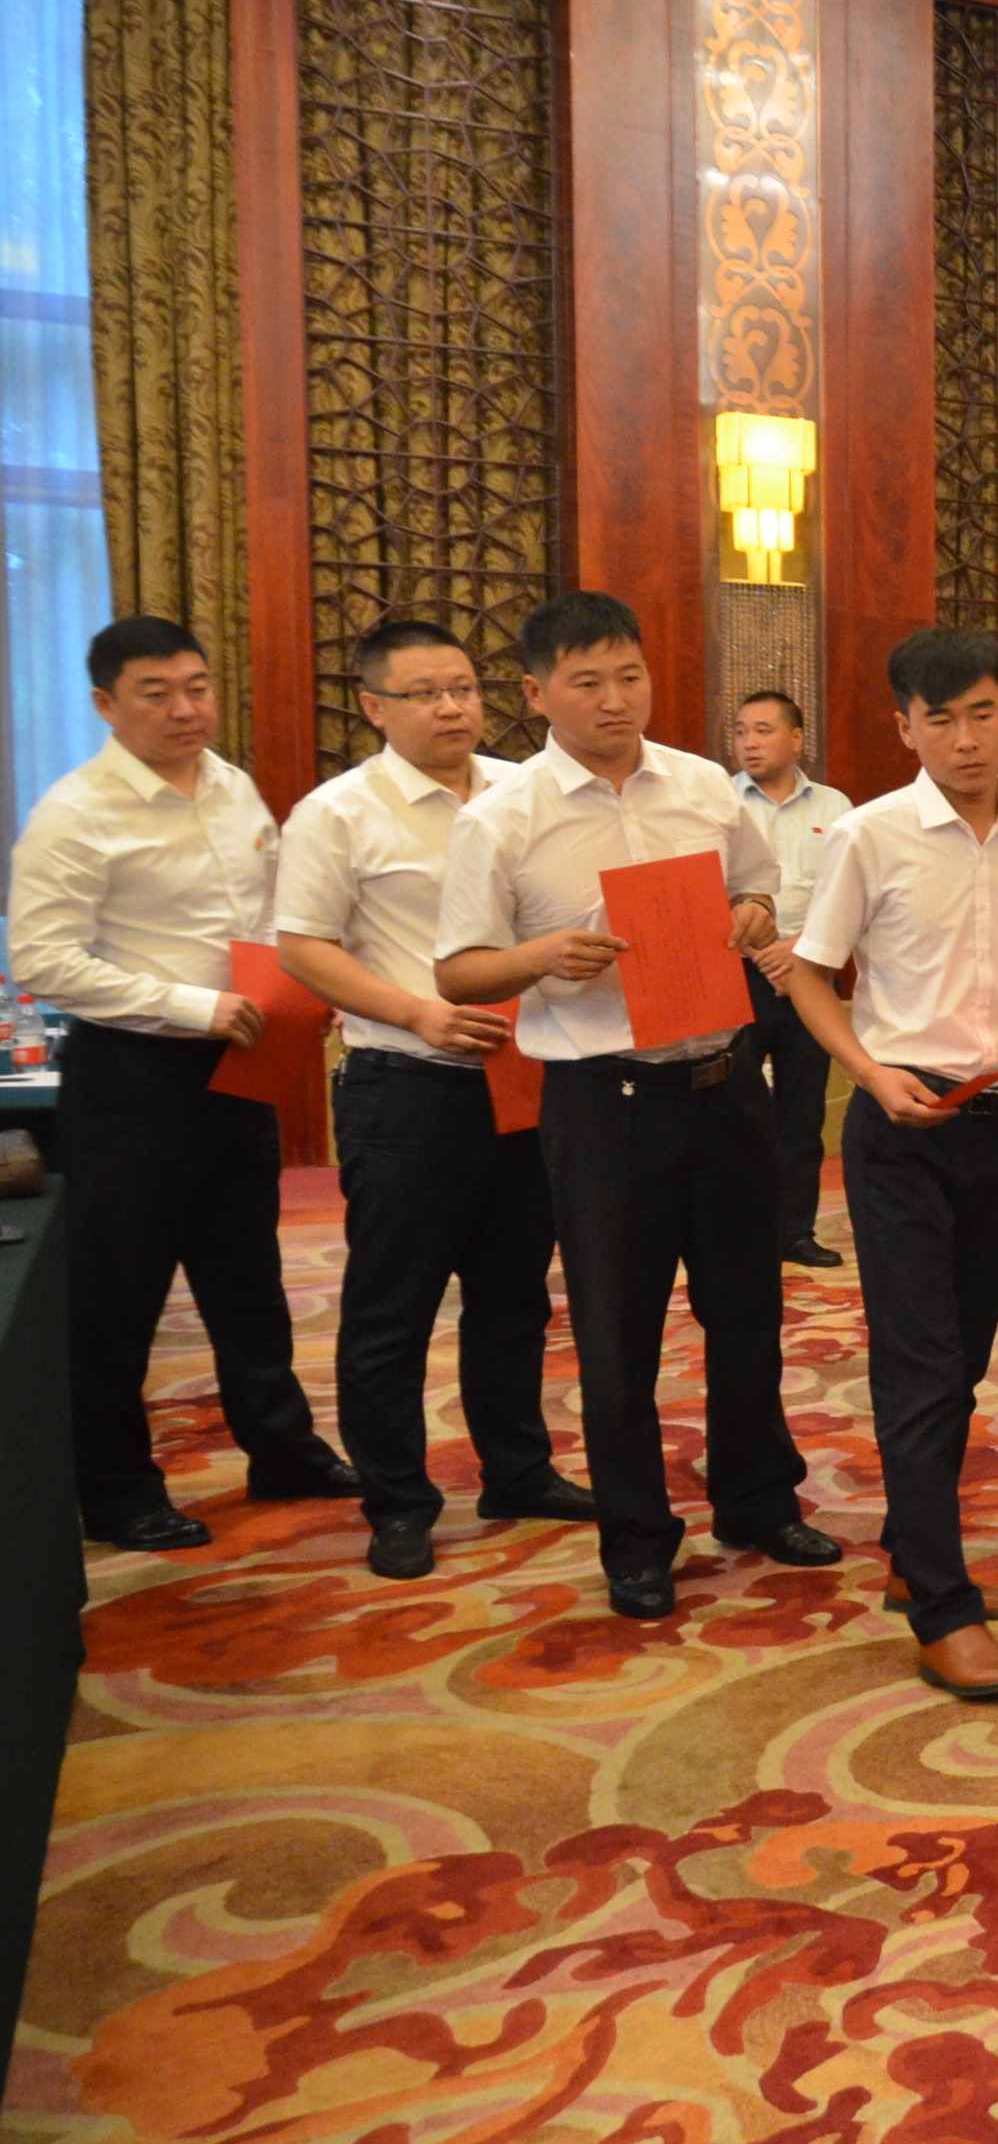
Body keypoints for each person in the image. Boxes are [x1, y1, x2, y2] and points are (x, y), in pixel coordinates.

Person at [436, 592, 838, 1619]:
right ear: (535, 694)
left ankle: (757, 1499)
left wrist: (751, 915)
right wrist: (540, 957)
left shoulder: (703, 786)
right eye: (587, 683)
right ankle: (638, 1538)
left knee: (748, 1312)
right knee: (619, 1335)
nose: (616, 700)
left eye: (630, 677)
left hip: (723, 1084)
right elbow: (458, 969)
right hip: (604, 1104)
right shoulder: (501, 818)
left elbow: (758, 892)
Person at [780, 627, 998, 1701]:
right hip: (903, 1128)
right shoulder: (867, 836)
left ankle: (917, 1556)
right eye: (942, 719)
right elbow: (809, 975)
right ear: (905, 728)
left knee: (958, 1359)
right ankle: (942, 1609)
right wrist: (869, 1074)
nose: (967, 739)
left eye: (984, 714)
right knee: (919, 1363)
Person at [9, 617, 353, 1549]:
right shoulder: (76, 813)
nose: (185, 709)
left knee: (247, 1276)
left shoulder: (232, 787)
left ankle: (281, 1450)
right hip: (133, 1075)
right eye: (156, 694)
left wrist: (296, 994)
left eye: (196, 687)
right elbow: (42, 958)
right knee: (119, 1295)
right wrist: (189, 1005)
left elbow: (267, 917)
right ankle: (117, 1490)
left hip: (240, 1062)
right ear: (105, 704)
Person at [272, 618, 593, 1579]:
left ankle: (518, 1471)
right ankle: (399, 1503)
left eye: (464, 688)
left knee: (514, 1296)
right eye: (424, 694)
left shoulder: (525, 790)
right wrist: (419, 1012)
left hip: (528, 1077)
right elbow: (303, 946)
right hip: (407, 1085)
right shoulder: (339, 812)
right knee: (394, 1307)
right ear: (374, 707)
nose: (452, 708)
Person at [728, 688, 854, 1266]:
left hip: (812, 973)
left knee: (802, 1113)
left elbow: (846, 895)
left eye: (763, 730)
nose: (749, 743)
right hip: (738, 974)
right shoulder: (720, 803)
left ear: (797, 739)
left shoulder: (835, 807)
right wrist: (764, 954)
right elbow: (706, 888)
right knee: (736, 1111)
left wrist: (798, 953)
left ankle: (795, 1230)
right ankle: (741, 1232)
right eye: (740, 732)